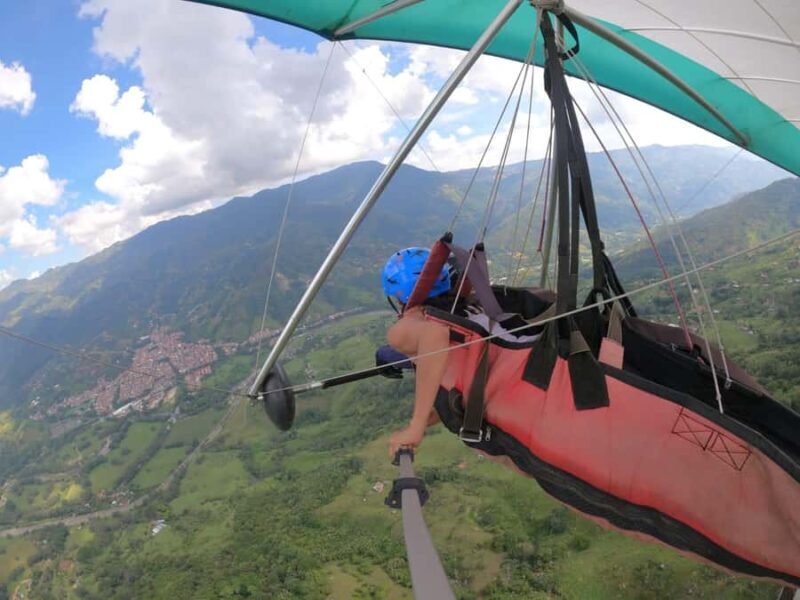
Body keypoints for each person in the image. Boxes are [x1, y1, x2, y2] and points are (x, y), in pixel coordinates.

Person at [382, 247, 542, 458]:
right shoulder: (467, 309)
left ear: (399, 297)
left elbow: (434, 334)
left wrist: (416, 426)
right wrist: (427, 419)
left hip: (527, 391)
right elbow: (460, 385)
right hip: (537, 367)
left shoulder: (412, 327)